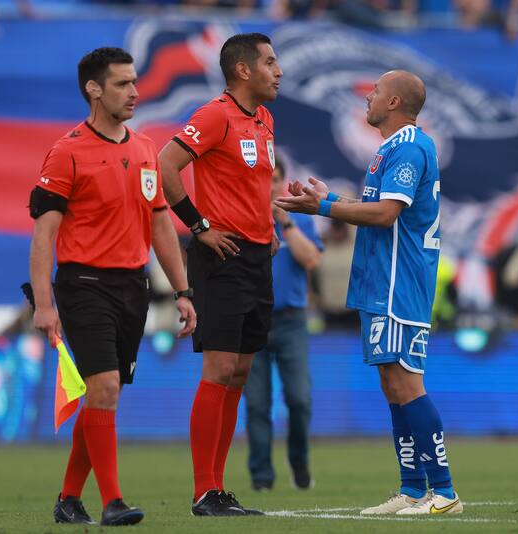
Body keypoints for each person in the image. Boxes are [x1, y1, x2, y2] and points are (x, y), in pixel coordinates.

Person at [276, 70, 463, 516]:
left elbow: (384, 215)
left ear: (395, 102)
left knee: (407, 382)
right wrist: (333, 196)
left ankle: (445, 491)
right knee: (391, 384)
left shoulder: (411, 147)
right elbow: (377, 207)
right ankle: (413, 489)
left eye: (375, 92)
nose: (368, 98)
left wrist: (323, 207)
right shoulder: (390, 149)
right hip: (380, 279)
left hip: (402, 279)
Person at [29, 47, 195, 527]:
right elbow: (45, 234)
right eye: (123, 84)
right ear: (93, 89)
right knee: (102, 387)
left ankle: (67, 499)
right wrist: (44, 304)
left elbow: (161, 224)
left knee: (106, 393)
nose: (135, 92)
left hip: (132, 287)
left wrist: (183, 291)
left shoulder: (145, 149)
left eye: (135, 82)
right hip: (83, 284)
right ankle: (113, 502)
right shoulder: (66, 152)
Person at [158, 32, 282, 516]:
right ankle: (203, 490)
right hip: (222, 256)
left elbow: (253, 182)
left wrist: (268, 223)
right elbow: (166, 166)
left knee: (241, 371)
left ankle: (218, 487)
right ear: (244, 70)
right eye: (271, 62)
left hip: (256, 256)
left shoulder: (265, 119)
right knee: (220, 368)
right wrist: (199, 226)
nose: (279, 70)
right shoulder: (214, 115)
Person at [245, 158, 322, 492]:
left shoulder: (299, 219)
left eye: (276, 179)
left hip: (291, 320)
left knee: (300, 398)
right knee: (257, 404)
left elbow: (311, 260)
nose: (272, 185)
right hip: (252, 319)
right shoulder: (245, 216)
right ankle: (262, 476)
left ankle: (299, 464)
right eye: (266, 178)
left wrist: (286, 223)